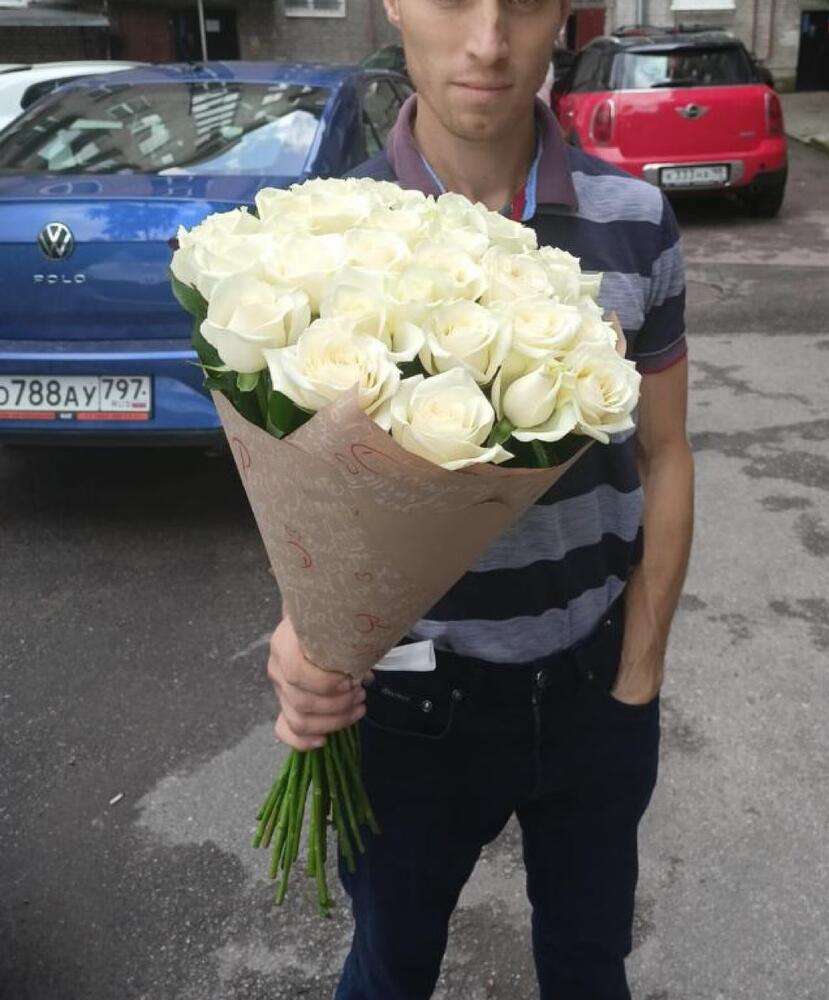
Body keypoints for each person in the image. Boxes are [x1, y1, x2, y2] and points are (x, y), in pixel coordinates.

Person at [266, 0, 694, 996]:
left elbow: (666, 453)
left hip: (593, 686)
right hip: (407, 699)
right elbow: (304, 484)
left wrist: (639, 676)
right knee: (390, 967)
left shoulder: (634, 221)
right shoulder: (328, 234)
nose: (490, 41)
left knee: (589, 967)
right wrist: (303, 628)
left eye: (524, 2)